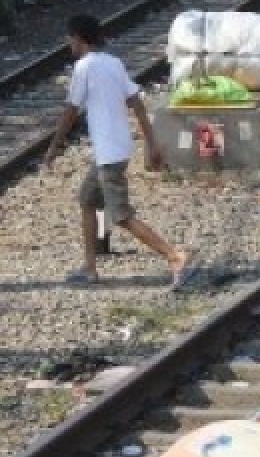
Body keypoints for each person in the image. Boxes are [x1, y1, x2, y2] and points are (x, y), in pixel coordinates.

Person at [45, 15, 195, 288]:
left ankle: (174, 256)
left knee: (121, 215)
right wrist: (152, 143)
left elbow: (70, 111)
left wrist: (54, 146)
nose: (69, 43)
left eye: (70, 38)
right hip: (118, 147)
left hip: (109, 154)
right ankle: (90, 267)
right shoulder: (114, 63)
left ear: (78, 38)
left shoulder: (84, 67)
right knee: (88, 199)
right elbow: (136, 103)